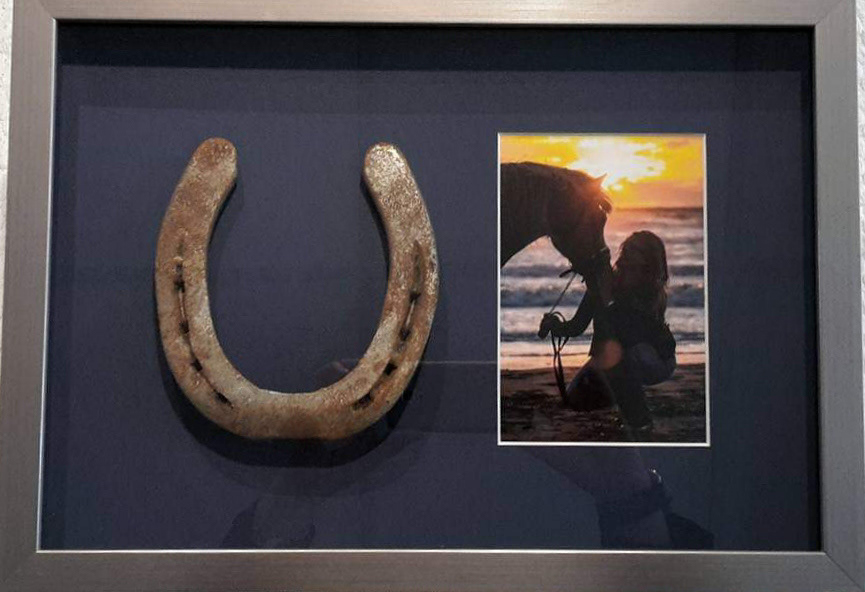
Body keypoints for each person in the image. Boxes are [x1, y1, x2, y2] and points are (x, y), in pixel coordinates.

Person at [541, 230, 676, 433]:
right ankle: (623, 396)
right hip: (613, 359)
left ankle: (640, 420)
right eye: (627, 248)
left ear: (649, 261)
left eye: (635, 250)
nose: (628, 253)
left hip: (655, 359)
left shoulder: (649, 291)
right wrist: (554, 325)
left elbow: (628, 334)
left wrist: (608, 299)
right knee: (574, 399)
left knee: (622, 357)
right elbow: (576, 326)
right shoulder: (604, 282)